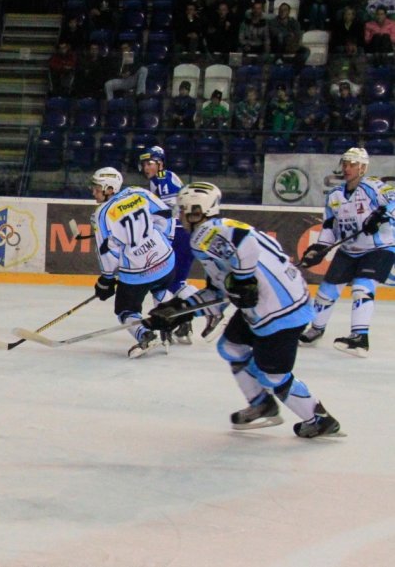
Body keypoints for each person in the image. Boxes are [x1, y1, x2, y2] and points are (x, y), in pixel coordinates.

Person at [146, 182, 342, 438]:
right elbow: (219, 293)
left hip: (281, 312)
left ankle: (320, 419)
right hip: (268, 307)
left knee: (274, 376)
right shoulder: (212, 232)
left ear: (196, 211)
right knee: (230, 346)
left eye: (182, 210)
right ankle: (262, 404)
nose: (180, 215)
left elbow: (244, 241)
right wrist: (178, 310)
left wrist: (244, 278)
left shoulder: (208, 233)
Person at [297, 148, 395, 356]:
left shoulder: (374, 187)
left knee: (362, 287)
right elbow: (330, 226)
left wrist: (380, 215)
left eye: (353, 164)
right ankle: (316, 329)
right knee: (326, 291)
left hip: (379, 248)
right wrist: (319, 248)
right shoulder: (334, 195)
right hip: (349, 250)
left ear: (363, 167)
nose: (347, 168)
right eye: (345, 164)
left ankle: (360, 338)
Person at [90, 167, 177, 358]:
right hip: (166, 260)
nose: (93, 192)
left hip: (137, 272)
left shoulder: (102, 213)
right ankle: (168, 327)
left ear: (109, 188)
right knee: (160, 288)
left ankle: (145, 335)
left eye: (97, 188)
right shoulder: (139, 192)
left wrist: (106, 279)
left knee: (125, 309)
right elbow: (165, 214)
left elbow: (107, 251)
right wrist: (164, 241)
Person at [138, 147, 218, 343]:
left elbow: (167, 211)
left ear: (160, 163)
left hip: (178, 233)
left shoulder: (161, 178)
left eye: (150, 163)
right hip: (185, 233)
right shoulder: (166, 177)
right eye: (144, 164)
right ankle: (186, 321)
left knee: (163, 280)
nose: (146, 167)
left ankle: (200, 313)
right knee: (177, 282)